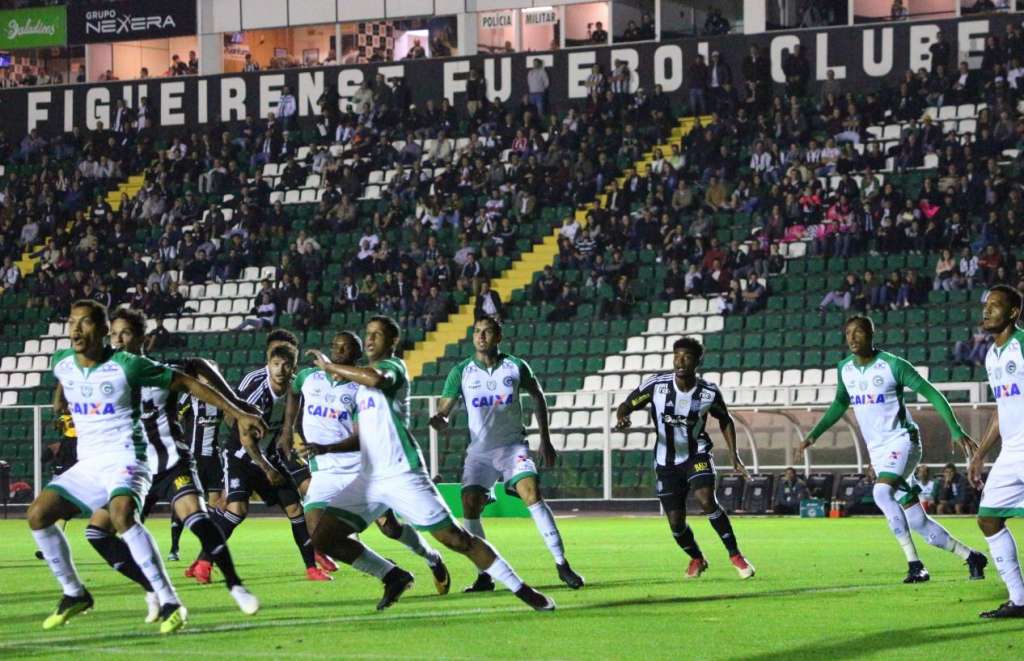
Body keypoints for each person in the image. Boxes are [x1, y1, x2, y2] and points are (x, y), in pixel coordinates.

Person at [25, 300, 267, 633]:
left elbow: (190, 377)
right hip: (91, 463)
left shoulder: (131, 366)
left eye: (85, 323)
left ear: (103, 330)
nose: (77, 330)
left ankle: (200, 593)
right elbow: (65, 377)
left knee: (141, 516)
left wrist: (239, 411)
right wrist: (61, 399)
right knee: (42, 515)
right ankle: (76, 593)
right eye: (72, 323)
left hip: (138, 458)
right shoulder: (62, 362)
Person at [297, 316, 555, 611]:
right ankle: (392, 575)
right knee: (323, 537)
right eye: (367, 334)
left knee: (457, 539)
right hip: (369, 478)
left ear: (392, 342)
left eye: (377, 335)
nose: (369, 340)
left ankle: (522, 589)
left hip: (402, 473)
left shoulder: (393, 368)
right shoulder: (358, 385)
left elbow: (376, 378)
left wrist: (329, 366)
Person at [79, 309, 259, 619]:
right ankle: (151, 587)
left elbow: (198, 368)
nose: (118, 340)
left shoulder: (163, 370)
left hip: (170, 461)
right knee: (97, 532)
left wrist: (238, 406)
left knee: (196, 517)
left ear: (143, 339)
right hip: (131, 468)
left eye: (126, 334)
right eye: (114, 334)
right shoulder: (105, 375)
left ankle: (235, 585)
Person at [798, 315, 986, 584]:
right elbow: (840, 403)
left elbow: (932, 392)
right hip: (879, 451)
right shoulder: (844, 369)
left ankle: (915, 565)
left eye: (859, 332)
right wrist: (813, 434)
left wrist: (955, 429)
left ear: (871, 335)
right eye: (848, 332)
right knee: (919, 522)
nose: (852, 338)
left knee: (881, 492)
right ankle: (971, 557)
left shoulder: (892, 365)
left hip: (903, 441)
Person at [279, 330, 452, 594]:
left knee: (391, 529)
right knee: (318, 536)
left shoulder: (361, 388)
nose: (338, 350)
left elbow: (364, 437)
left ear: (357, 355)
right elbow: (293, 392)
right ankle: (391, 574)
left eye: (346, 348)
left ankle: (432, 557)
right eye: (336, 345)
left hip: (360, 470)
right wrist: (286, 431)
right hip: (324, 472)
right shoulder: (309, 377)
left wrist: (325, 447)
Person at [430, 317, 585, 592]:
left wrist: (545, 439)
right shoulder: (462, 371)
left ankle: (562, 564)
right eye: (477, 332)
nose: (481, 336)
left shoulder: (515, 366)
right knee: (469, 503)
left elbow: (537, 396)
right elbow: (445, 408)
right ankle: (483, 575)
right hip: (479, 452)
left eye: (487, 332)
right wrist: (441, 419)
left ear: (498, 336)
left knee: (532, 493)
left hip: (513, 447)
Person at [186, 330, 332, 583]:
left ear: (293, 367)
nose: (280, 370)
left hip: (269, 455)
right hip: (241, 456)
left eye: (286, 365)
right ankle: (204, 563)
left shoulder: (294, 388)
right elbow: (243, 435)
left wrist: (284, 444)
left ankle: (311, 568)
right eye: (276, 364)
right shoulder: (256, 391)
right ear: (268, 363)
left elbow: (290, 421)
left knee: (295, 508)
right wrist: (267, 469)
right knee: (237, 511)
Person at [614, 338, 755, 580]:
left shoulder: (708, 392)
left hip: (696, 453)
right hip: (665, 461)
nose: (680, 361)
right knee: (676, 523)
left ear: (697, 361)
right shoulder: (657, 385)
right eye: (677, 355)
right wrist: (623, 418)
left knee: (706, 500)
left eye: (687, 356)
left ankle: (735, 556)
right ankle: (697, 558)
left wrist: (734, 457)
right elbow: (626, 405)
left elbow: (725, 420)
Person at [968, 285, 1024, 618]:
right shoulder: (992, 355)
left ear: (1014, 313)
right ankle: (1019, 600)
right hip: (1012, 451)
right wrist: (980, 454)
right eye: (986, 305)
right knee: (988, 519)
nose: (987, 311)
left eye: (996, 306)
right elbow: (1002, 408)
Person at [169, 363, 228, 559]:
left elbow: (231, 419)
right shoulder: (190, 397)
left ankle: (206, 549)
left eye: (213, 375)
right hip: (193, 459)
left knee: (213, 505)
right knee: (183, 502)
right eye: (205, 376)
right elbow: (174, 417)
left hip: (212, 458)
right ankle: (174, 547)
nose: (209, 379)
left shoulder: (221, 399)